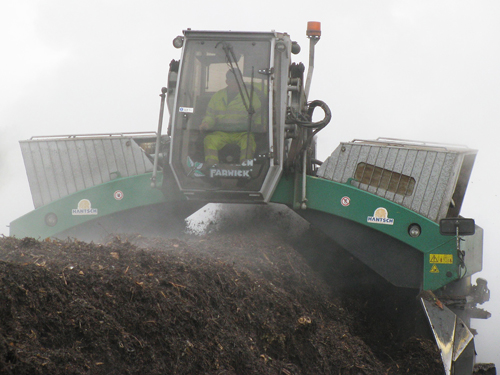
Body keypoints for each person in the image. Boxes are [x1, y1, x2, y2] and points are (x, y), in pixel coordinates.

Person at [199, 70, 261, 169]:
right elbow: (210, 115)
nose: (236, 84)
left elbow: (259, 114)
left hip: (243, 133)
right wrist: (206, 124)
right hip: (222, 133)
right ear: (227, 82)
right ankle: (212, 167)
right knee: (209, 140)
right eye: (233, 81)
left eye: (238, 81)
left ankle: (245, 168)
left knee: (249, 142)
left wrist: (260, 126)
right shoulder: (218, 96)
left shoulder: (251, 96)